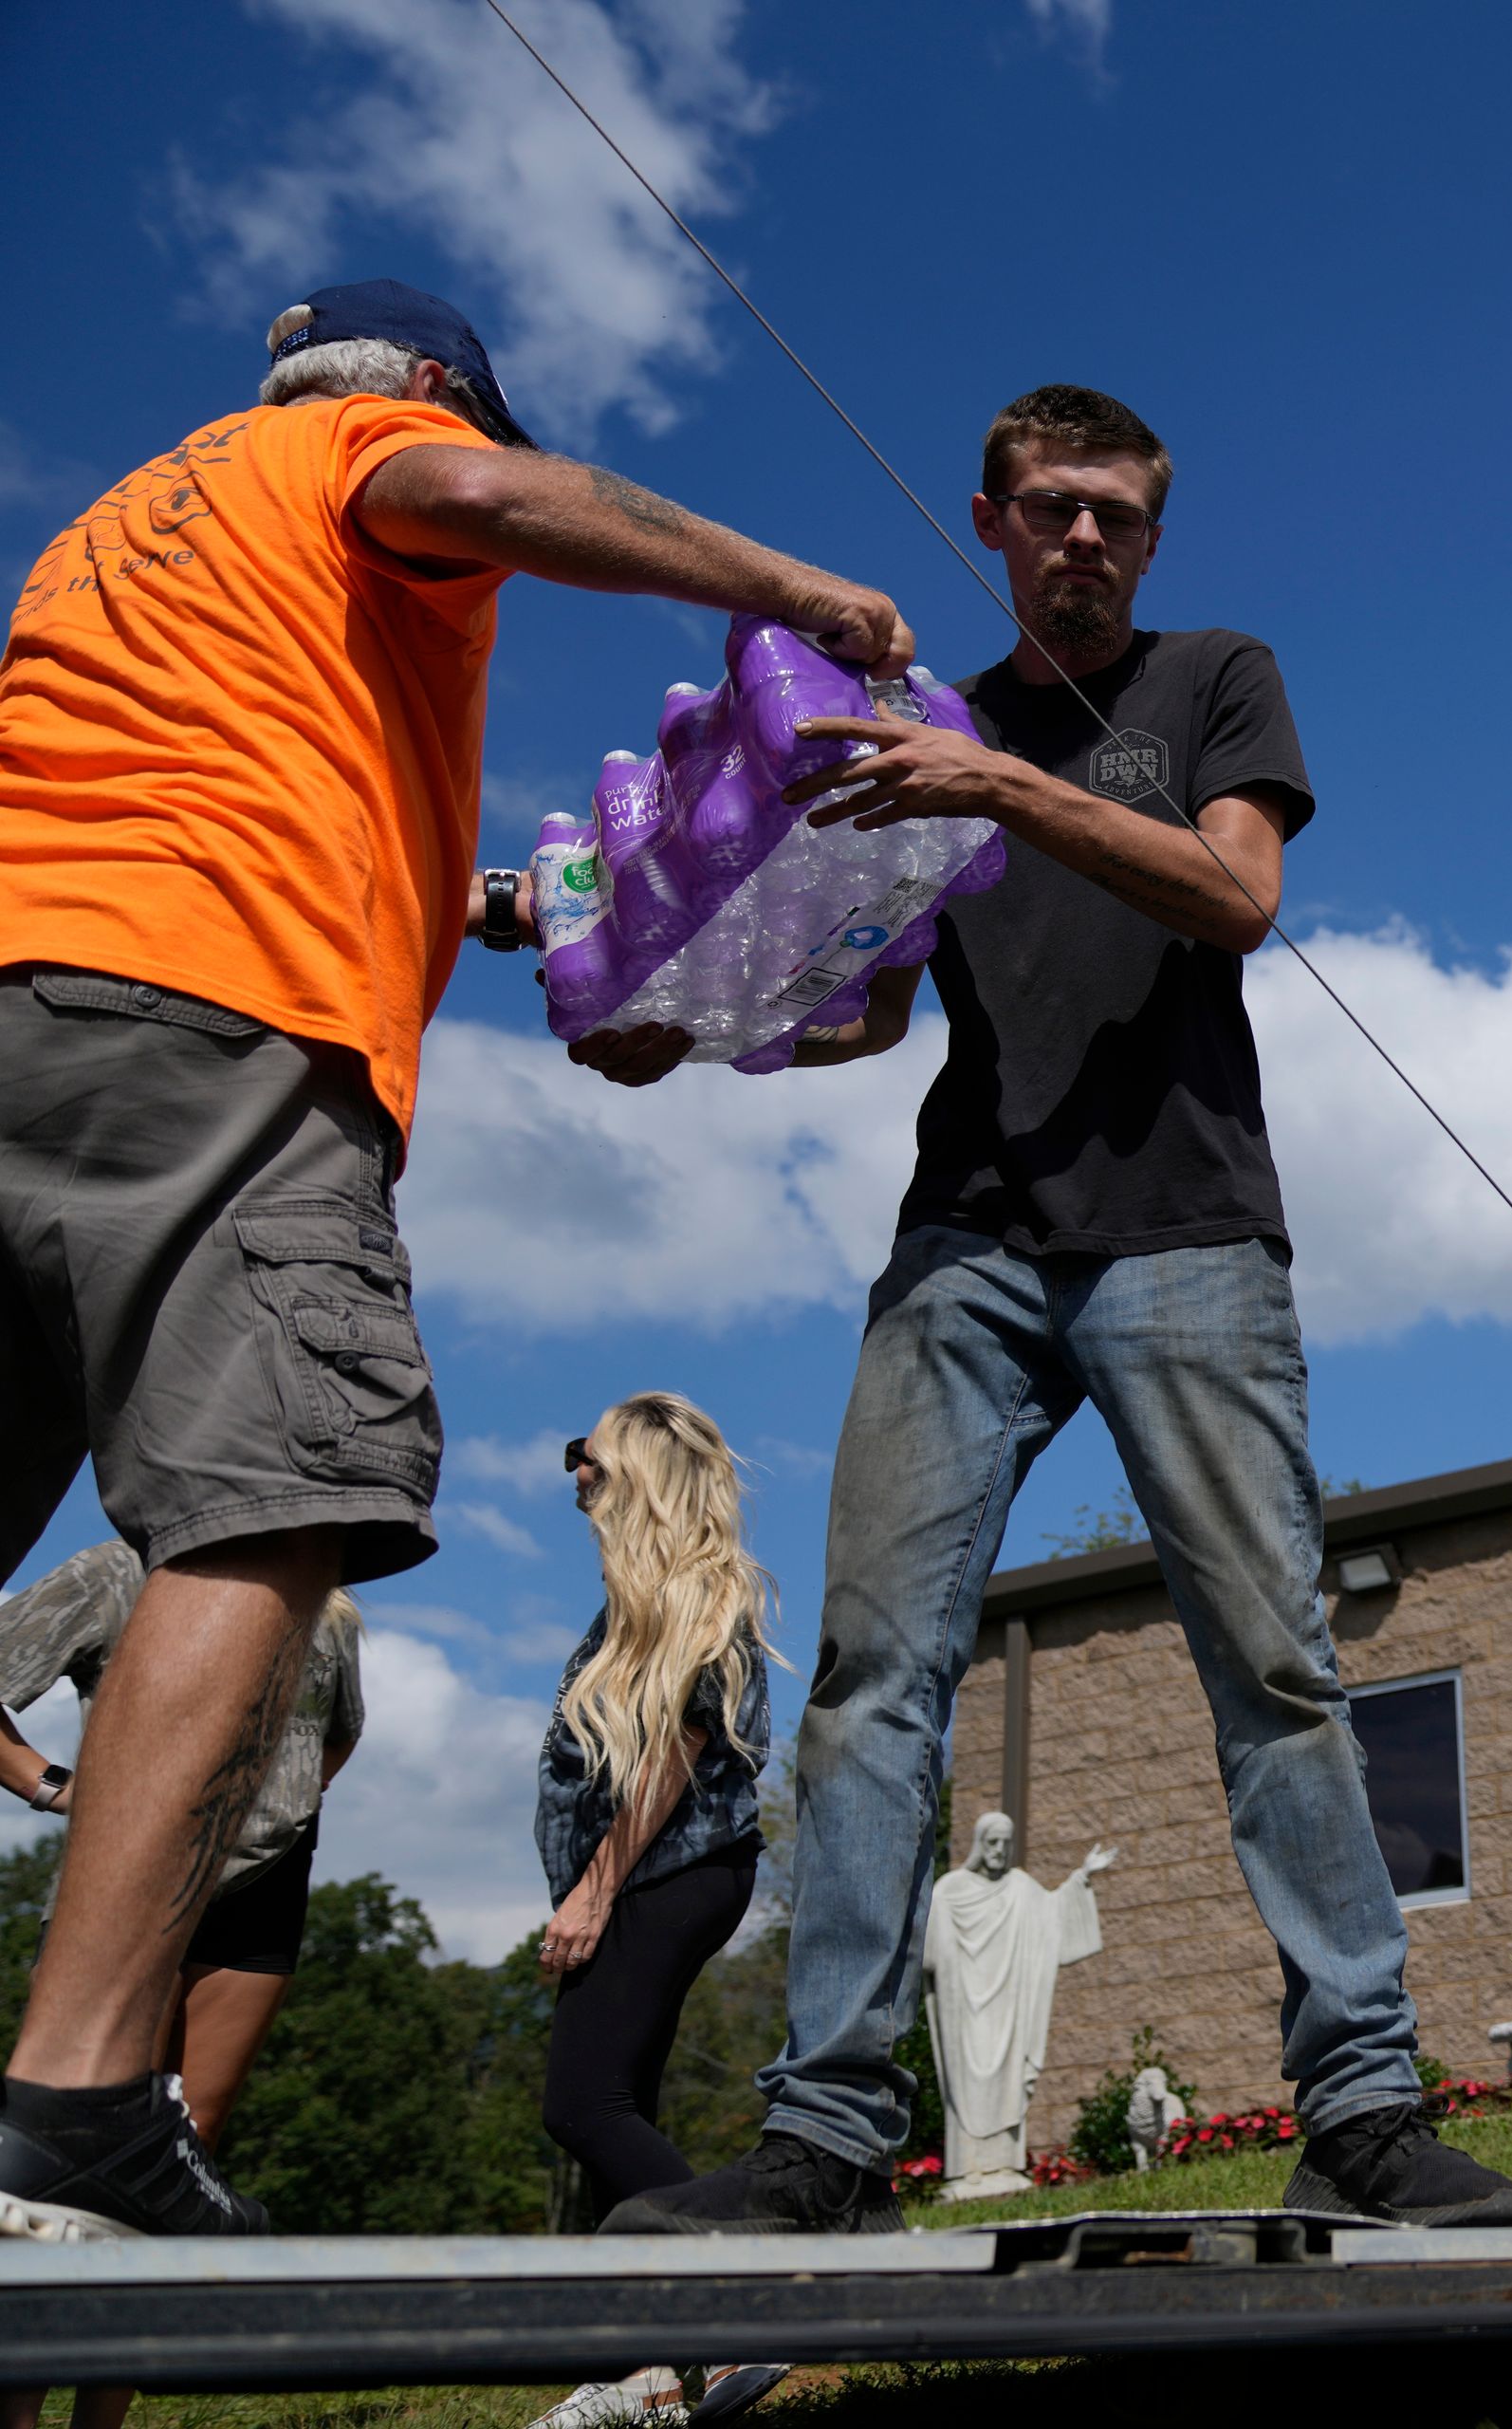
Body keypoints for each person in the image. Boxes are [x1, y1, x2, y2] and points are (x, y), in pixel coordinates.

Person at [0, 280, 908, 2241]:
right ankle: (76, 2096)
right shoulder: (357, 450)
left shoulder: (124, 522)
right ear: (423, 393)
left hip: (29, 999)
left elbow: (225, 757)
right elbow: (481, 499)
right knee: (268, 1494)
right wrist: (799, 593)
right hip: (221, 1014)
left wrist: (487, 902)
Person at [577, 385, 1512, 2235]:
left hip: (1187, 1227)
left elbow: (1238, 896)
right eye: (1050, 508)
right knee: (867, 1681)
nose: (1084, 537)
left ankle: (1363, 2103)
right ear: (991, 522)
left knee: (1275, 1665)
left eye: (1116, 513)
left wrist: (1006, 789)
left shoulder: (1210, 680)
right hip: (969, 1241)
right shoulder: (926, 729)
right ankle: (829, 2137)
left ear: (1152, 539)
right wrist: (680, 1023)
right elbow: (857, 999)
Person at [0, 1547, 359, 2429]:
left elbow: (341, 1730)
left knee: (170, 2177)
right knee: (70, 2175)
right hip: (130, 1879)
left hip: (267, 1894)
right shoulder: (117, 1571)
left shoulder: (330, 1597)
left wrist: (276, 1805)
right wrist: (56, 1788)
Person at [525, 1400, 784, 2429]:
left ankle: (738, 2314)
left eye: (583, 1456)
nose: (572, 1473)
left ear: (633, 1469)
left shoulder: (687, 1586)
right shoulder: (639, 1591)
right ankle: (636, 2376)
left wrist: (593, 1891)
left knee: (580, 2105)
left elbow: (674, 1751)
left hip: (665, 1870)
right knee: (614, 2112)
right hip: (659, 1873)